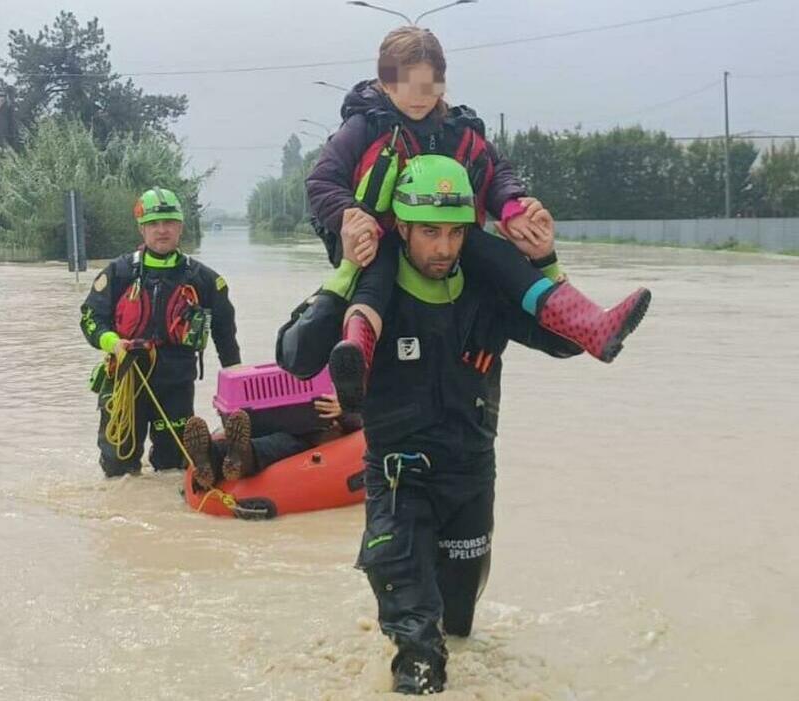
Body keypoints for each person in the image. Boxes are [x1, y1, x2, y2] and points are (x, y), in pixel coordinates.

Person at [347, 154, 593, 694]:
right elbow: (296, 353)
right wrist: (345, 273)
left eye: (455, 233)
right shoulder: (375, 288)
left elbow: (567, 342)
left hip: (471, 476)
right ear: (403, 227)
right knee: (419, 648)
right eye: (429, 232)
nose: (443, 248)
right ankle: (415, 665)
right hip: (398, 477)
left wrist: (546, 259)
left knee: (458, 625)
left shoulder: (487, 290)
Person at [305, 26, 651, 410]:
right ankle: (356, 355)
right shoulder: (363, 126)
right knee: (378, 277)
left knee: (500, 256)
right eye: (407, 85)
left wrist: (513, 206)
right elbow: (322, 182)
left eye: (430, 85)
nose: (420, 98)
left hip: (448, 240)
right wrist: (349, 216)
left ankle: (592, 325)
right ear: (386, 82)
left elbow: (497, 171)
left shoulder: (457, 127)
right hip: (378, 239)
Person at [80, 188, 241, 478]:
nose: (162, 230)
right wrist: (113, 343)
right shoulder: (118, 274)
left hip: (176, 384)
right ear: (142, 229)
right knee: (118, 466)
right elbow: (91, 319)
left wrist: (237, 388)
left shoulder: (206, 280)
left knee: (172, 467)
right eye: (154, 224)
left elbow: (226, 337)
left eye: (169, 223)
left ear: (180, 227)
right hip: (125, 379)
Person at [181, 393, 362, 489]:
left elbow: (369, 420)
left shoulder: (364, 368)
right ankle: (209, 458)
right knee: (273, 434)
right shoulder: (307, 352)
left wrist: (346, 409)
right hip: (291, 417)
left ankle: (236, 457)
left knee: (285, 443)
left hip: (319, 432)